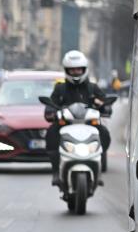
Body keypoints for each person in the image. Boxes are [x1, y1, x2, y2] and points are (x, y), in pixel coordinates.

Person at [45, 50, 109, 186]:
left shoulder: (92, 88)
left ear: (84, 70)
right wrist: (50, 111)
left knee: (103, 132)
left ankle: (100, 168)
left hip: (89, 124)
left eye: (78, 70)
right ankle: (56, 171)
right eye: (72, 70)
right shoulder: (60, 88)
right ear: (67, 70)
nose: (75, 72)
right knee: (51, 132)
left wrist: (104, 106)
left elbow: (104, 102)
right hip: (65, 124)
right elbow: (51, 105)